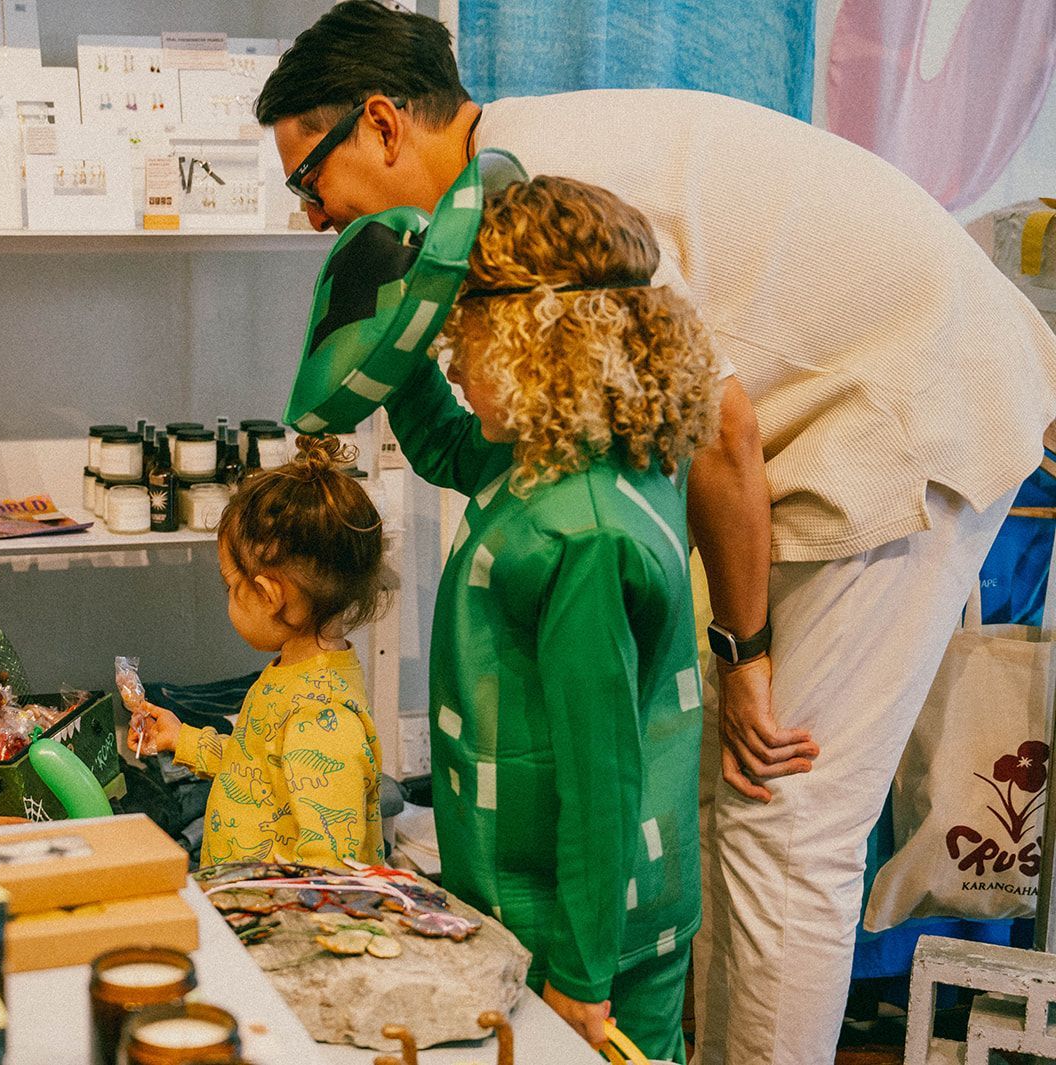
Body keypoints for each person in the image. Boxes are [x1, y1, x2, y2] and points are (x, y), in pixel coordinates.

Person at [256, 5, 1056, 1062]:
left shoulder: (552, 190)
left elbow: (723, 431)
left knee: (783, 816)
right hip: (823, 413)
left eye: (308, 178)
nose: (314, 216)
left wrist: (747, 655)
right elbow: (516, 443)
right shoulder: (496, 202)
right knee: (722, 802)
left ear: (380, 123)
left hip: (915, 398)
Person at [385, 174, 718, 1058]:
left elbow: (602, 776)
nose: (453, 362)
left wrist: (581, 973)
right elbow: (446, 444)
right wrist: (391, 348)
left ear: (540, 341)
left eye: (469, 334)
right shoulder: (582, 451)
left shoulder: (584, 530)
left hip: (577, 927)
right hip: (556, 900)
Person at [130, 435, 387, 868]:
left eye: (231, 585)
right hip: (245, 894)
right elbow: (256, 767)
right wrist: (183, 738)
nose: (228, 596)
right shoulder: (294, 674)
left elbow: (331, 870)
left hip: (278, 906)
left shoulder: (321, 719)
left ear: (269, 596)